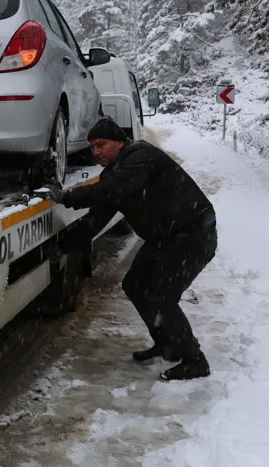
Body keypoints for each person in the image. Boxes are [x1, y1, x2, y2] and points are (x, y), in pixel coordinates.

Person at [41, 117, 217, 381]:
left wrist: (68, 196)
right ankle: (166, 343)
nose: (96, 152)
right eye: (93, 147)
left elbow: (110, 189)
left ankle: (195, 360)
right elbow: (97, 218)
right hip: (164, 238)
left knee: (163, 297)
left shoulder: (141, 157)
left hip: (193, 234)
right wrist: (63, 246)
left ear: (120, 142)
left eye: (101, 145)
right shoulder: (117, 173)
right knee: (135, 285)